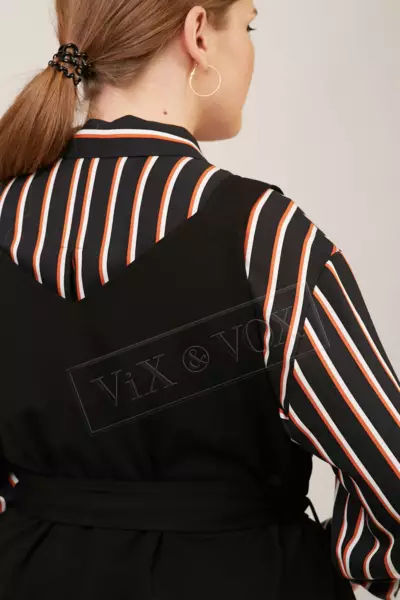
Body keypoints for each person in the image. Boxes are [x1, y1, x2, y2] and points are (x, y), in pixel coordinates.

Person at [0, 1, 398, 598]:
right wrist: (335, 563)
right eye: (248, 25)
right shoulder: (263, 234)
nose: (251, 48)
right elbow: (390, 469)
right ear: (198, 35)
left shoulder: (4, 212)